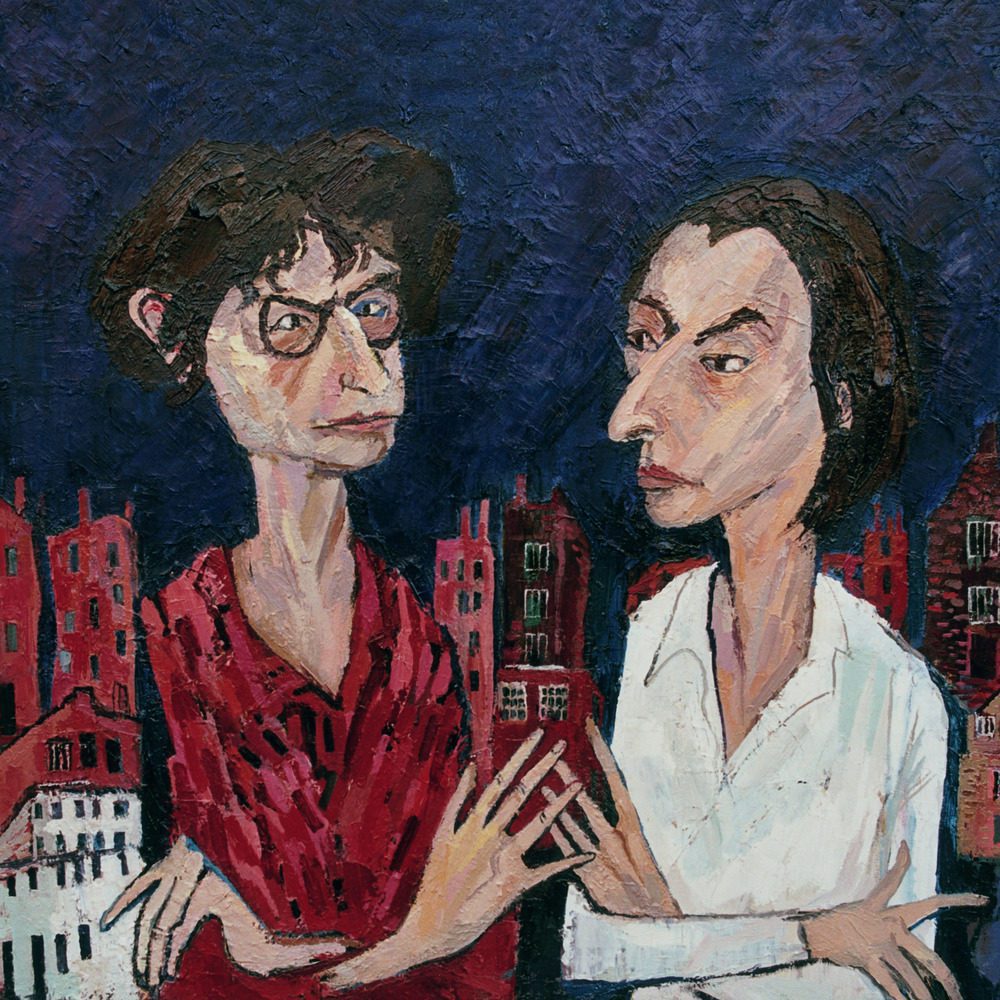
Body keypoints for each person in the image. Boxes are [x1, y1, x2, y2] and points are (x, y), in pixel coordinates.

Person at [92, 129, 590, 999]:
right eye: (291, 324)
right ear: (173, 334)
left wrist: (365, 951)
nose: (364, 373)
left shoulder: (431, 641)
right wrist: (404, 944)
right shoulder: (153, 643)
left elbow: (488, 947)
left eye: (375, 310)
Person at [550, 177, 987, 999]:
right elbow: (589, 946)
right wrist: (815, 936)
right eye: (643, 341)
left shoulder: (894, 695)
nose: (630, 414)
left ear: (839, 400)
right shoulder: (653, 633)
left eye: (721, 361)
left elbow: (893, 981)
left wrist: (667, 925)